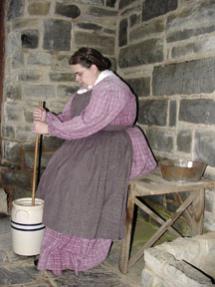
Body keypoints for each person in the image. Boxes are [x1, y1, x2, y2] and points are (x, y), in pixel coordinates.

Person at [33, 47, 156, 275]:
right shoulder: (86, 90)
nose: (76, 78)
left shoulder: (112, 89)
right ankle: (57, 248)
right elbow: (69, 119)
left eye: (79, 73)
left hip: (112, 147)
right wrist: (48, 118)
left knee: (83, 184)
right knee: (62, 176)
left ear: (94, 67)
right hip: (88, 142)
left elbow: (89, 122)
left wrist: (49, 128)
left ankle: (79, 254)